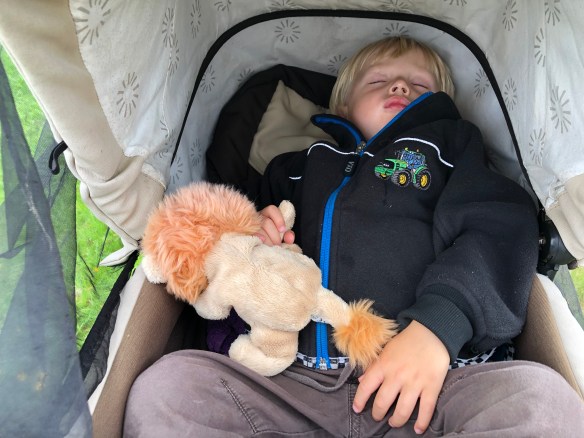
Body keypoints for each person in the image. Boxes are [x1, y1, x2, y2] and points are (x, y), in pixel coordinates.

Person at [124, 37, 584, 437]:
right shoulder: (295, 168)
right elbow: (235, 244)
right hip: (286, 383)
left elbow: (497, 227)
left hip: (431, 383)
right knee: (168, 389)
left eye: (420, 85)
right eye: (379, 80)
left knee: (542, 403)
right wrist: (257, 230)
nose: (399, 87)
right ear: (341, 106)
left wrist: (438, 330)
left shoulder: (450, 150)